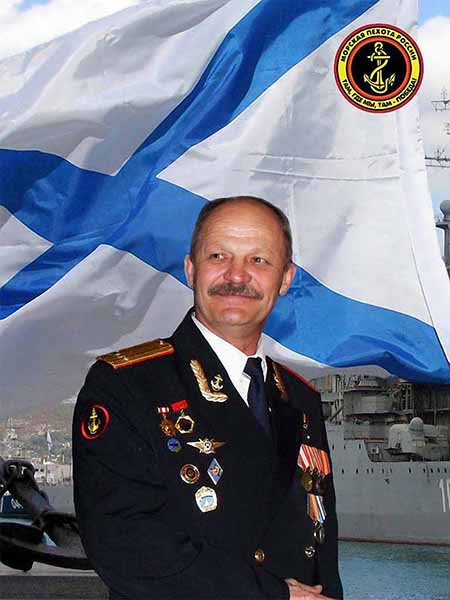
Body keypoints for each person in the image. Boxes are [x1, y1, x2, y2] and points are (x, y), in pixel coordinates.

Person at [72, 196, 343, 600]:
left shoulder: (300, 399)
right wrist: (272, 596)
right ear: (190, 269)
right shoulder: (126, 385)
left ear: (285, 278)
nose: (237, 275)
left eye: (259, 260)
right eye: (219, 256)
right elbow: (124, 542)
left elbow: (320, 552)